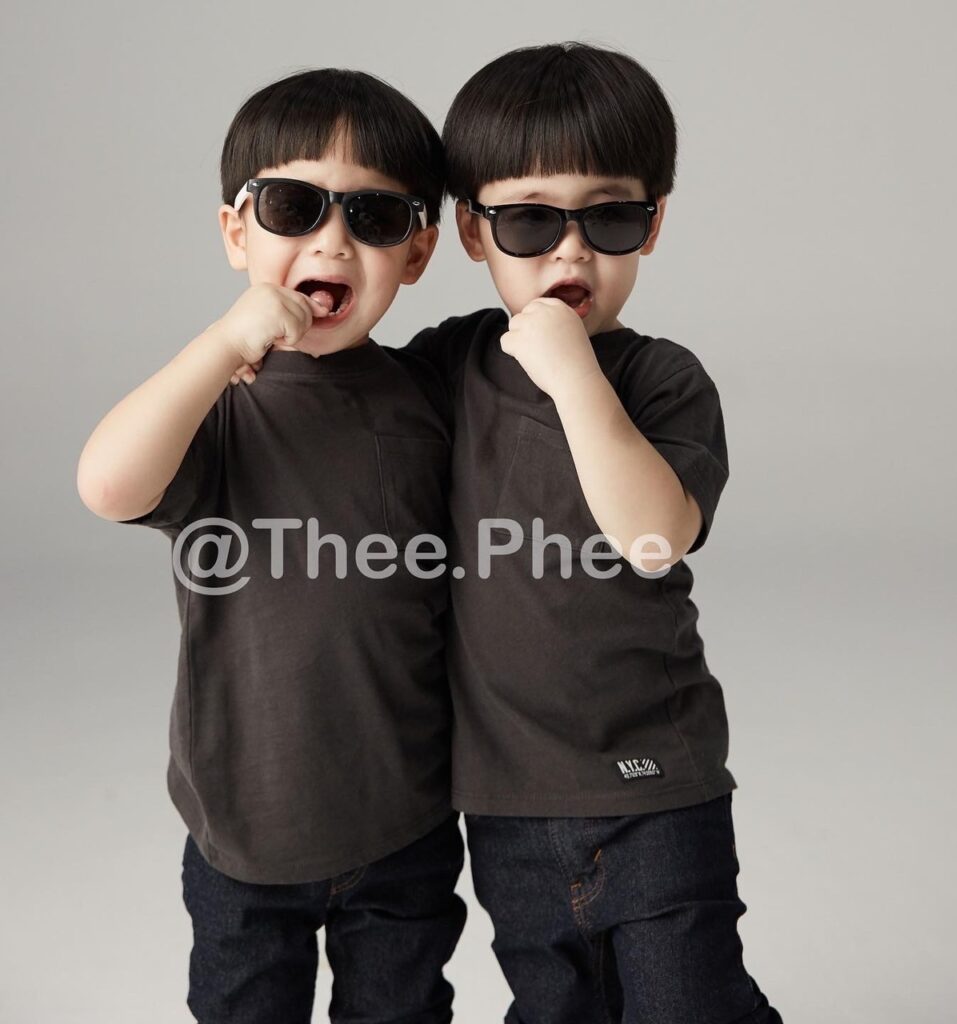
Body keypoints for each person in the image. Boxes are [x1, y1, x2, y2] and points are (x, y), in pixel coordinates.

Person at [405, 42, 784, 1023]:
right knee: (556, 1005)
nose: (570, 253)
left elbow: (655, 534)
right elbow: (342, 428)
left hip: (653, 781)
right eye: (530, 220)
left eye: (608, 217)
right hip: (505, 797)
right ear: (472, 231)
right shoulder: (448, 368)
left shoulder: (662, 379)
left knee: (687, 1004)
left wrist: (573, 371)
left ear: (652, 224)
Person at [76, 68, 465, 1024]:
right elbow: (108, 486)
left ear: (417, 252)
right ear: (236, 232)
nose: (331, 240)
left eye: (375, 217)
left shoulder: (431, 395)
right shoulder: (215, 405)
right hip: (245, 827)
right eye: (295, 207)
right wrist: (221, 344)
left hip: (405, 816)